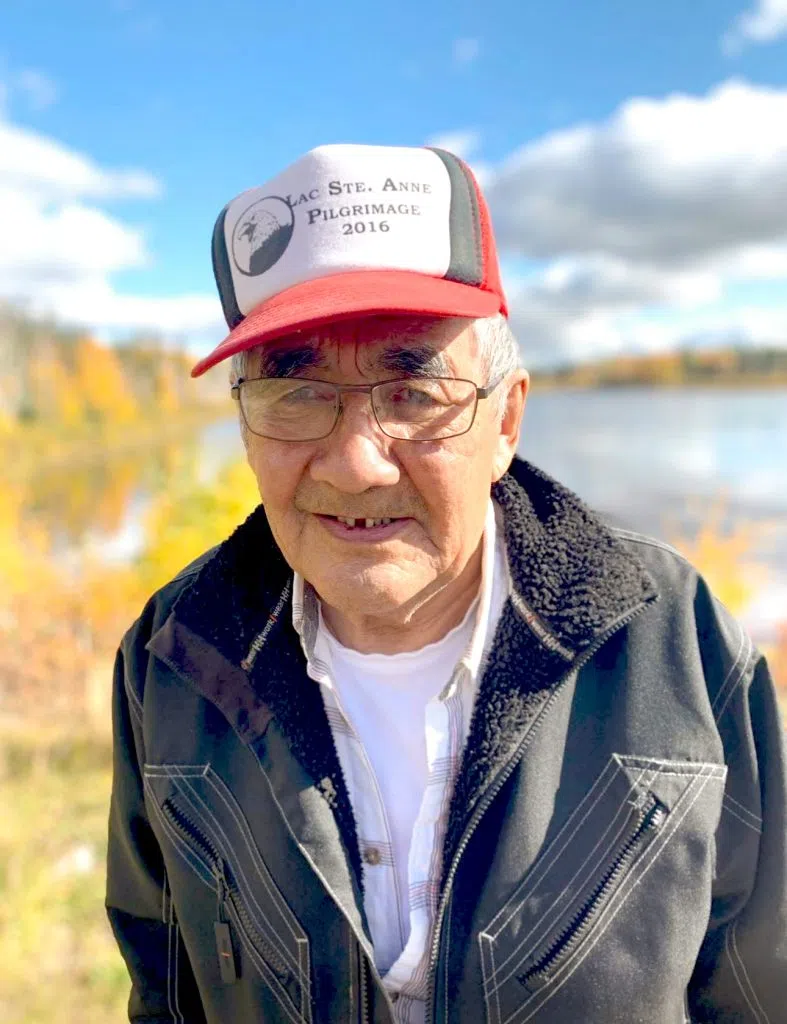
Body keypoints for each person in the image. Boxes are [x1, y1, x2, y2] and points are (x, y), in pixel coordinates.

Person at [105, 143, 787, 1024]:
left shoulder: (675, 642)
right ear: (244, 425)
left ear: (505, 420)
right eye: (294, 391)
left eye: (413, 391)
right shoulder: (172, 655)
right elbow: (164, 987)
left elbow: (759, 987)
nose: (355, 464)